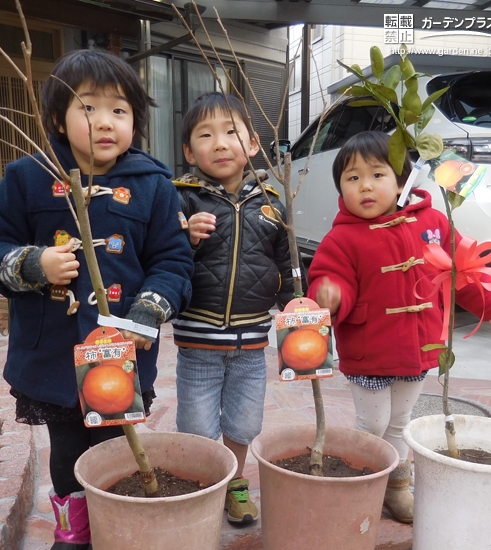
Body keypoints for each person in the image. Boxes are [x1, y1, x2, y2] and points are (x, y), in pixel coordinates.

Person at [0, 49, 194, 550]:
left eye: (120, 110)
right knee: (68, 447)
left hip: (123, 352)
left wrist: (147, 312)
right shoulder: (27, 177)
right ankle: (74, 535)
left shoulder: (154, 186)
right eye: (88, 107)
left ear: (135, 120)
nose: (105, 122)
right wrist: (33, 264)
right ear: (57, 118)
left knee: (115, 448)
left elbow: (174, 262)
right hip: (51, 354)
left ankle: (115, 530)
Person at [307, 131, 491, 524]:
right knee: (372, 424)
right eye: (352, 178)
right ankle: (363, 480)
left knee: (400, 422)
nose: (365, 185)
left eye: (377, 174)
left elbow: (461, 269)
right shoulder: (341, 238)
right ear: (341, 190)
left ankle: (396, 488)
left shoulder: (433, 222)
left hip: (420, 348)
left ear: (402, 180)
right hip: (369, 353)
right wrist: (329, 294)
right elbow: (333, 278)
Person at [173, 91, 305, 524]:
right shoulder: (184, 200)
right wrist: (185, 237)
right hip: (198, 344)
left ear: (251, 144)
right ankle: (201, 486)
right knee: (196, 426)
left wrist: (296, 308)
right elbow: (165, 260)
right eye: (206, 135)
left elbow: (286, 264)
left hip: (252, 344)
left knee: (245, 423)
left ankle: (235, 484)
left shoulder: (270, 202)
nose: (220, 142)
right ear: (190, 152)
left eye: (231, 132)